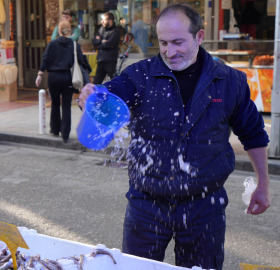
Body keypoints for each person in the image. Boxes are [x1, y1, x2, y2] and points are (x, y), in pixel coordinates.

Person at [79, 4, 270, 270]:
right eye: (163, 43)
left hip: (204, 205)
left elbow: (254, 134)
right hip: (147, 203)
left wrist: (263, 183)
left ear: (200, 37)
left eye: (178, 42)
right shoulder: (139, 75)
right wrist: (92, 95)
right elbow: (111, 93)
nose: (170, 52)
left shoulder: (229, 81)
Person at [36, 21, 84, 143]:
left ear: (58, 30)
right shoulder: (74, 45)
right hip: (68, 77)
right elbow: (81, 61)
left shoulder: (52, 44)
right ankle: (65, 134)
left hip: (53, 78)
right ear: (69, 30)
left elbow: (45, 59)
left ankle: (55, 129)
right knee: (66, 106)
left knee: (55, 104)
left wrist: (40, 74)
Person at [92, 12, 120, 84]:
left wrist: (99, 44)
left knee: (114, 82)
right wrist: (102, 41)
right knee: (96, 83)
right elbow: (94, 41)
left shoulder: (115, 31)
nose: (102, 22)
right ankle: (97, 95)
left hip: (110, 60)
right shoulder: (102, 29)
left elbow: (109, 44)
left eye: (104, 20)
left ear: (110, 21)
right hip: (101, 60)